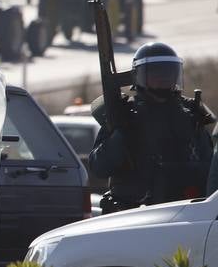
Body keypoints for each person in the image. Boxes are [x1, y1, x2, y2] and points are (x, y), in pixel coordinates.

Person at [88, 42, 214, 213]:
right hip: (131, 215)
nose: (163, 79)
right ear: (139, 76)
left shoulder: (192, 115)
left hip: (183, 213)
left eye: (168, 73)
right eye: (156, 74)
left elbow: (210, 170)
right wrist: (121, 134)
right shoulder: (124, 114)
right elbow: (99, 168)